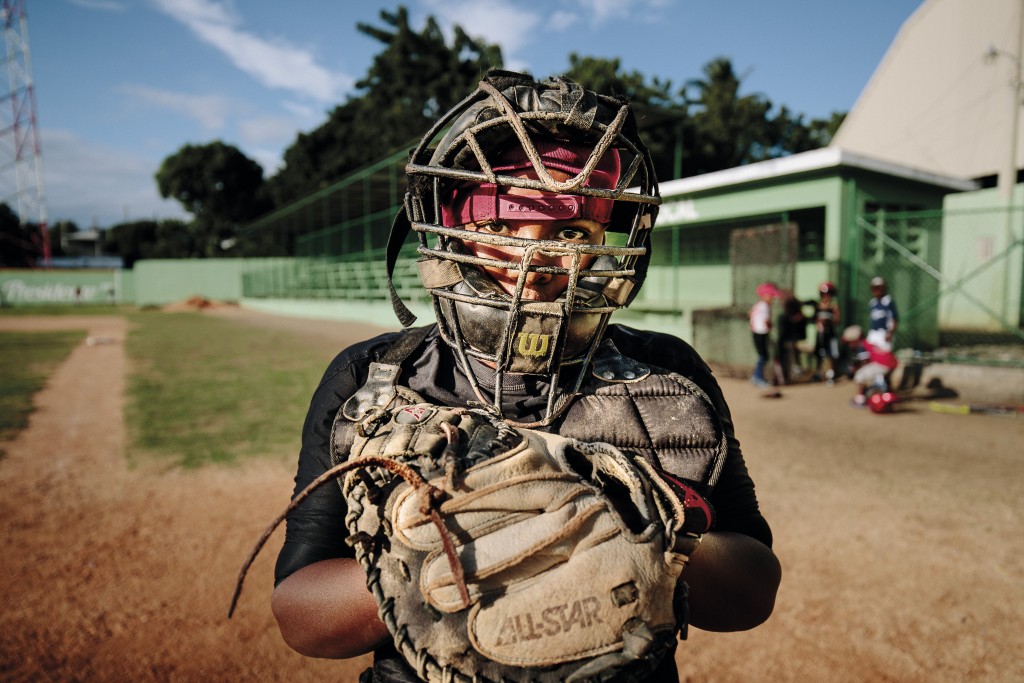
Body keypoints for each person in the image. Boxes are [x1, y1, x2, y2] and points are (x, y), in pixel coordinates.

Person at [270, 70, 781, 682]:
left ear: (602, 242)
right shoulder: (373, 378)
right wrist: (437, 571)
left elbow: (753, 588)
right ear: (450, 225)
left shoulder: (667, 376)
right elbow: (301, 616)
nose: (534, 261)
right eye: (501, 228)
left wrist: (651, 547)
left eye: (570, 232)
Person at [842, 325, 898, 407]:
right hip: (890, 362)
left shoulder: (862, 346)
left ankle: (860, 399)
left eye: (850, 342)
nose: (849, 345)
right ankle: (885, 396)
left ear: (855, 340)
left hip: (883, 364)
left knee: (859, 375)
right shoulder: (868, 342)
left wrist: (855, 369)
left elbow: (865, 362)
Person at [749, 282, 778, 388]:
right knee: (763, 356)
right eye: (771, 296)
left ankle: (756, 376)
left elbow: (750, 316)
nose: (772, 299)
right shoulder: (765, 306)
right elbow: (766, 321)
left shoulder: (757, 305)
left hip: (756, 333)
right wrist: (770, 326)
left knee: (762, 356)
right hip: (761, 333)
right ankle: (758, 378)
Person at [813, 281, 841, 384]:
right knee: (819, 354)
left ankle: (831, 374)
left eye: (828, 294)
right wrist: (819, 323)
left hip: (830, 334)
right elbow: (814, 319)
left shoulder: (833, 306)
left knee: (831, 354)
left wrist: (829, 322)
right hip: (820, 334)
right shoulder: (818, 306)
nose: (826, 296)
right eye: (824, 294)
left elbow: (838, 319)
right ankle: (818, 374)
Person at [867, 276, 898, 351]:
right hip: (873, 332)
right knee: (870, 352)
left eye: (879, 288)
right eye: (874, 288)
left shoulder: (887, 301)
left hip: (884, 333)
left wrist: (890, 333)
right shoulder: (873, 303)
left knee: (883, 353)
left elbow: (894, 319)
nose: (876, 291)